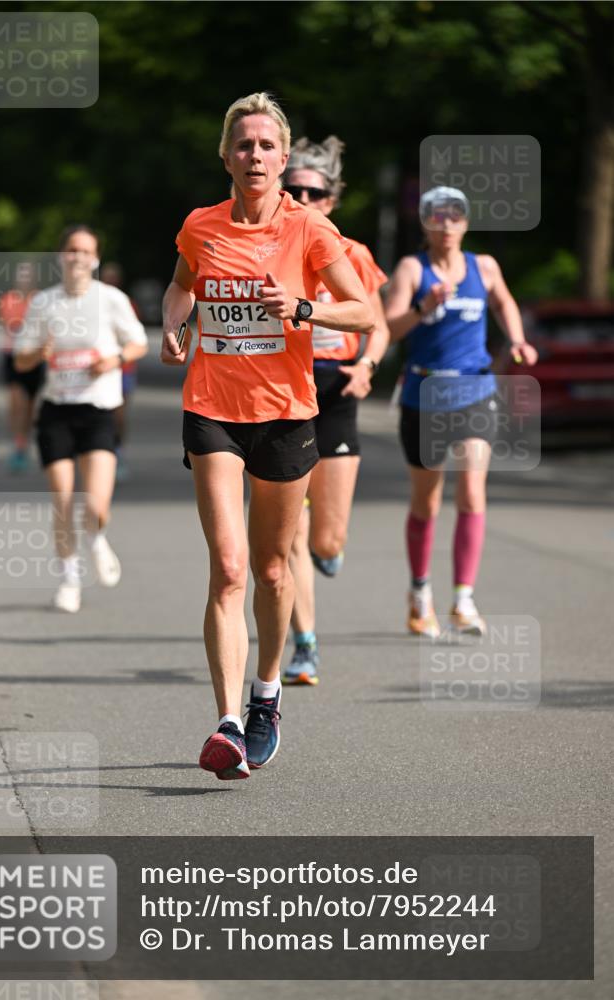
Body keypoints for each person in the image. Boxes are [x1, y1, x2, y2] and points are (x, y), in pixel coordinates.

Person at [160, 92, 373, 780]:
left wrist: (305, 307)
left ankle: (266, 694)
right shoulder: (200, 226)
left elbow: (363, 311)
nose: (255, 155)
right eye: (243, 145)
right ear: (226, 156)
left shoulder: (309, 228)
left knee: (273, 569)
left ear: (283, 159)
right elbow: (180, 286)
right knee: (228, 568)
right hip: (212, 408)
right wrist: (173, 323)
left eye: (266, 146)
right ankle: (226, 724)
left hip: (284, 413)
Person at [385, 186, 537, 637]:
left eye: (455, 216)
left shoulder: (483, 266)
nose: (447, 224)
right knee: (426, 501)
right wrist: (424, 307)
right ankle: (420, 593)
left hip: (475, 390)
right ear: (426, 223)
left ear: (466, 223)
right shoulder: (412, 269)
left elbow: (504, 301)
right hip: (424, 394)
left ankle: (464, 600)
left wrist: (516, 339)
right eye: (437, 216)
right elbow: (389, 328)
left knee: (472, 491)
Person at [282, 137, 389, 685]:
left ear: (331, 199)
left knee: (326, 539)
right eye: (295, 189)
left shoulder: (355, 254)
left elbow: (378, 325)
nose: (304, 198)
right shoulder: (272, 248)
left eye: (315, 192)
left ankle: (328, 548)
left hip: (338, 391)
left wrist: (367, 365)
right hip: (286, 391)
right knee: (290, 535)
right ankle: (305, 645)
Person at [14, 225, 148, 613]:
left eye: (86, 251)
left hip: (98, 410)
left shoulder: (111, 299)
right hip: (56, 410)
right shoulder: (44, 303)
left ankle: (96, 537)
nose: (78, 257)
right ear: (61, 256)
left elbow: (138, 343)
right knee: (62, 499)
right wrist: (39, 352)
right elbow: (21, 360)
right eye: (72, 250)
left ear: (96, 259)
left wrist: (114, 360)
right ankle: (69, 580)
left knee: (96, 506)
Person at [0, 261, 43, 472]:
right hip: (13, 354)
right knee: (16, 401)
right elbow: (11, 324)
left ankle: (24, 441)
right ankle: (18, 444)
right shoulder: (8, 299)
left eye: (28, 275)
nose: (25, 279)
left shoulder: (40, 299)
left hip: (35, 357)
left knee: (31, 405)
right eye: (21, 275)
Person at [100, 262, 140, 481]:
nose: (110, 282)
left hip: (124, 368)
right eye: (107, 278)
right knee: (100, 414)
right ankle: (100, 453)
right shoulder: (94, 303)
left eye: (113, 278)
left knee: (119, 415)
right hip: (101, 368)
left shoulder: (127, 303)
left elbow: (135, 338)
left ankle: (119, 451)